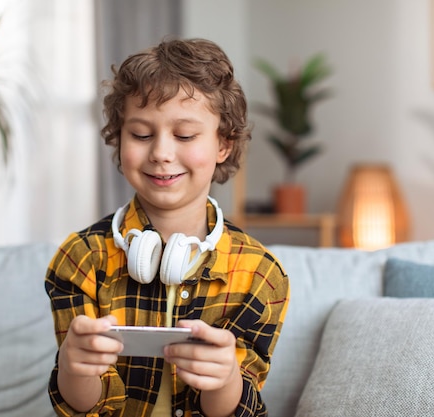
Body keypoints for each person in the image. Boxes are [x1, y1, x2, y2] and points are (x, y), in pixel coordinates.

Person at [45, 37, 290, 417]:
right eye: (141, 134)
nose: (160, 152)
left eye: (185, 135)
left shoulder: (260, 274)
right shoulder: (80, 259)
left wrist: (225, 380)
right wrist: (74, 367)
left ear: (223, 144)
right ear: (120, 136)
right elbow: (82, 407)